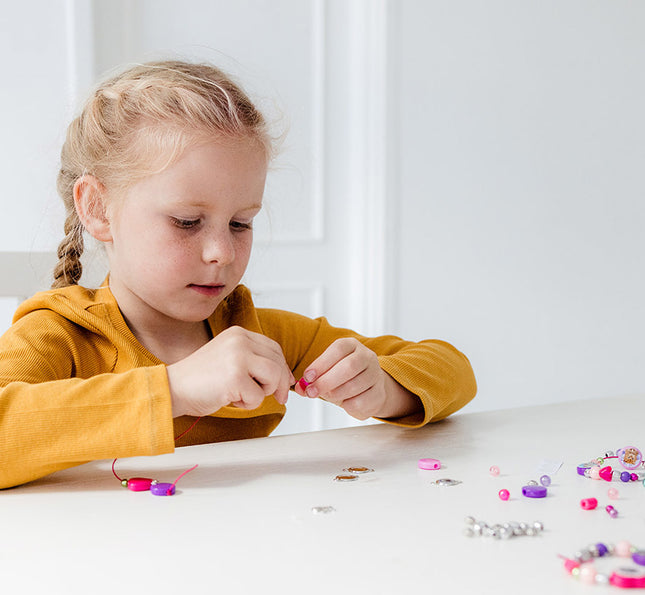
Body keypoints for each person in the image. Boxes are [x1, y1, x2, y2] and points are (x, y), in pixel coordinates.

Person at [0, 60, 477, 489]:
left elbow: (453, 369)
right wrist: (175, 389)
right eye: (187, 222)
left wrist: (384, 389)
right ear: (98, 208)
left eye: (240, 223)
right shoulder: (59, 338)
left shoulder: (253, 333)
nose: (221, 252)